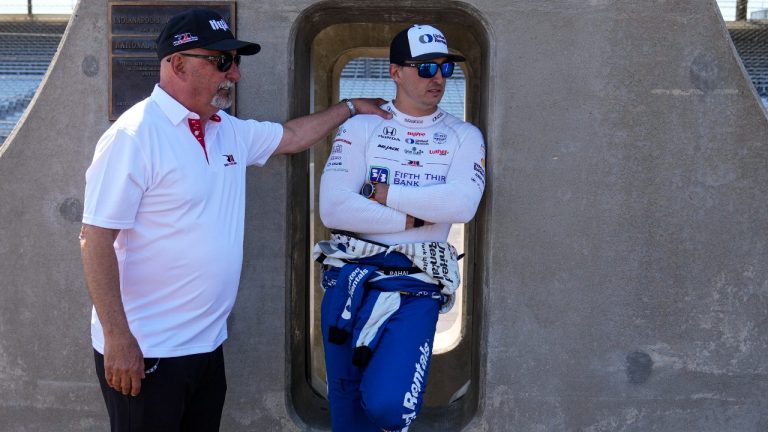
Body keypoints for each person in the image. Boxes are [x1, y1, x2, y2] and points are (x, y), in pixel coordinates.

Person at [79, 8, 389, 432]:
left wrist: (351, 107)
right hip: (147, 351)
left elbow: (292, 136)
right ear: (177, 63)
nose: (235, 75)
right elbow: (94, 240)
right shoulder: (133, 137)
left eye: (235, 62)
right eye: (221, 62)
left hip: (206, 348)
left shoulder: (226, 130)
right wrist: (118, 338)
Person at [314, 24, 486, 431]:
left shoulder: (464, 135)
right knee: (347, 405)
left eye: (445, 67)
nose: (439, 77)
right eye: (426, 68)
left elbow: (462, 204)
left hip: (416, 288)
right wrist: (416, 217)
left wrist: (380, 192)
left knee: (390, 405)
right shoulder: (360, 128)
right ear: (395, 72)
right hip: (348, 284)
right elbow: (334, 208)